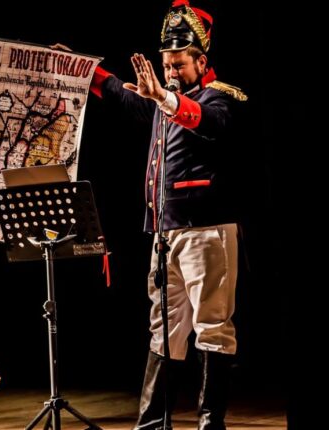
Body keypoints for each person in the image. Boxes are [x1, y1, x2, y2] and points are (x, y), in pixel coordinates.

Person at [88, 1, 247, 429]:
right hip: (165, 233)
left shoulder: (221, 98)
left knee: (212, 326)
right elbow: (121, 94)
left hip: (206, 229)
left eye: (178, 64)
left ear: (202, 62)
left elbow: (207, 122)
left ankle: (210, 424)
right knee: (164, 328)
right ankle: (152, 424)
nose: (171, 71)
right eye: (166, 65)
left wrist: (164, 96)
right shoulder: (163, 101)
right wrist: (83, 70)